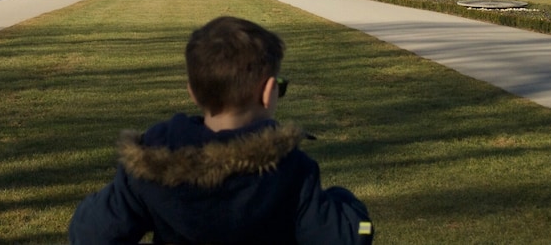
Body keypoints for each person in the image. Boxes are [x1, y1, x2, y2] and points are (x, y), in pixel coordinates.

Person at [68, 16, 374, 244]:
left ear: (192, 91)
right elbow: (351, 236)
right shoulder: (292, 171)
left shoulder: (151, 163)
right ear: (268, 93)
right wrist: (350, 205)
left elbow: (87, 233)